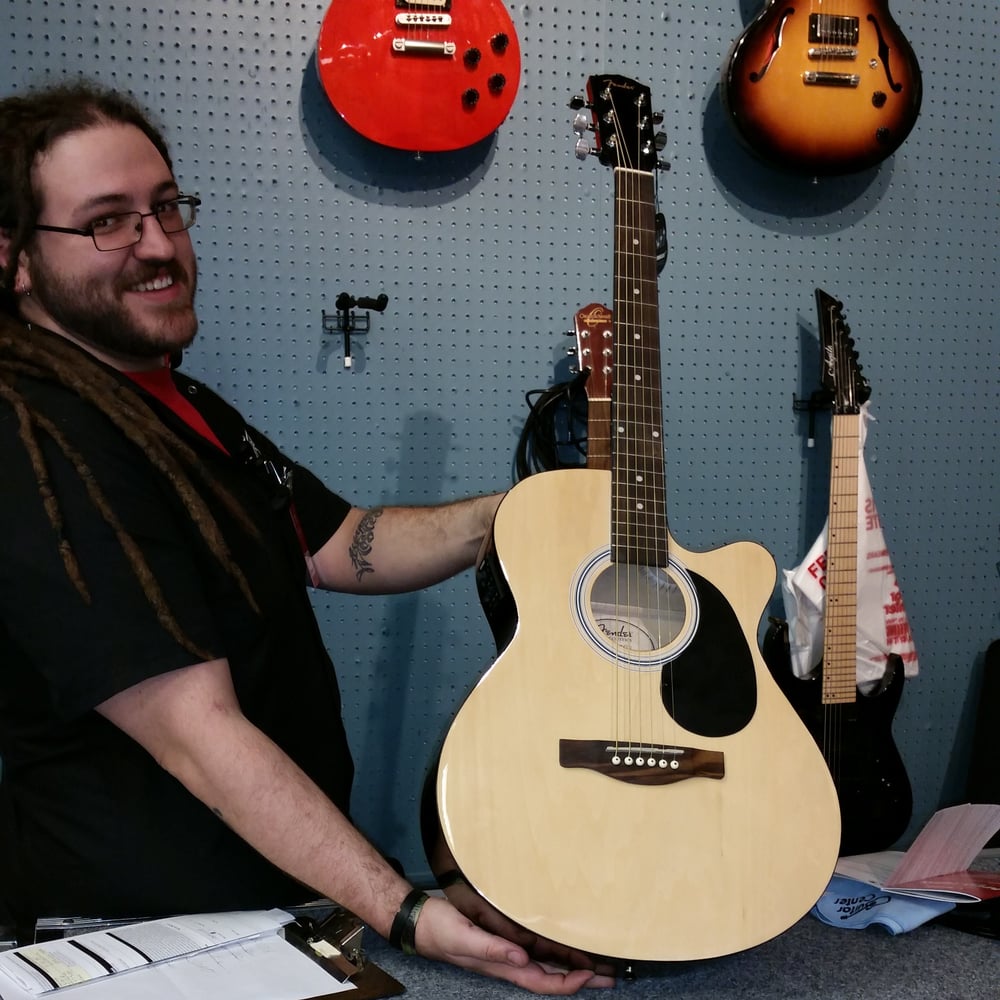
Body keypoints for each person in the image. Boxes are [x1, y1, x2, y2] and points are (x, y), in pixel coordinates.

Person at [0, 78, 613, 993]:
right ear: (14, 258)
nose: (158, 244)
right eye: (107, 222)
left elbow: (341, 543)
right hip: (141, 940)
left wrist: (524, 513)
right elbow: (196, 732)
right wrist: (404, 910)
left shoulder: (171, 400)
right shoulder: (36, 436)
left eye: (165, 207)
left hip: (265, 909)